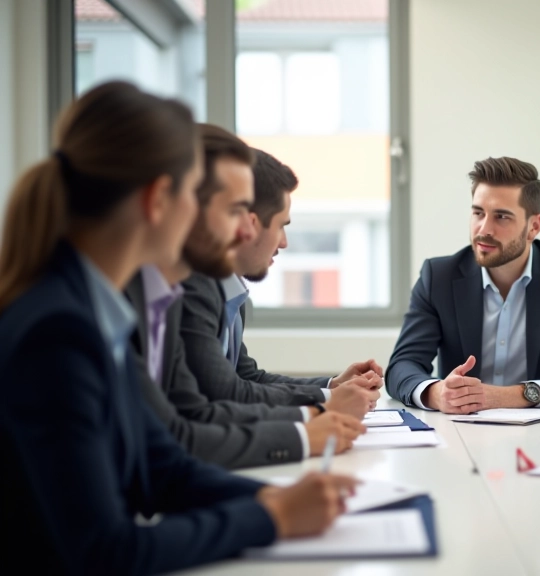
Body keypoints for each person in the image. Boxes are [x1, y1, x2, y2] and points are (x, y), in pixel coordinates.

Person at [0, 81, 357, 574]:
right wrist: (269, 517)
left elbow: (161, 466)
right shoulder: (58, 332)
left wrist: (283, 498)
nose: (242, 230)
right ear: (159, 200)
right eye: (198, 195)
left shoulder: (96, 312)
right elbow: (105, 550)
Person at [386, 157, 540, 413]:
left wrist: (515, 395)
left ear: (534, 227)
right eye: (478, 213)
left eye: (502, 217)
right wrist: (435, 393)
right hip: (461, 432)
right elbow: (402, 366)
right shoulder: (439, 277)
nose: (484, 229)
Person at [177, 142, 381, 413]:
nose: (283, 243)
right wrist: (327, 404)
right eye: (281, 226)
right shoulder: (197, 286)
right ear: (250, 223)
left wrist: (332, 387)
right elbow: (224, 391)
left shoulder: (230, 291)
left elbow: (247, 378)